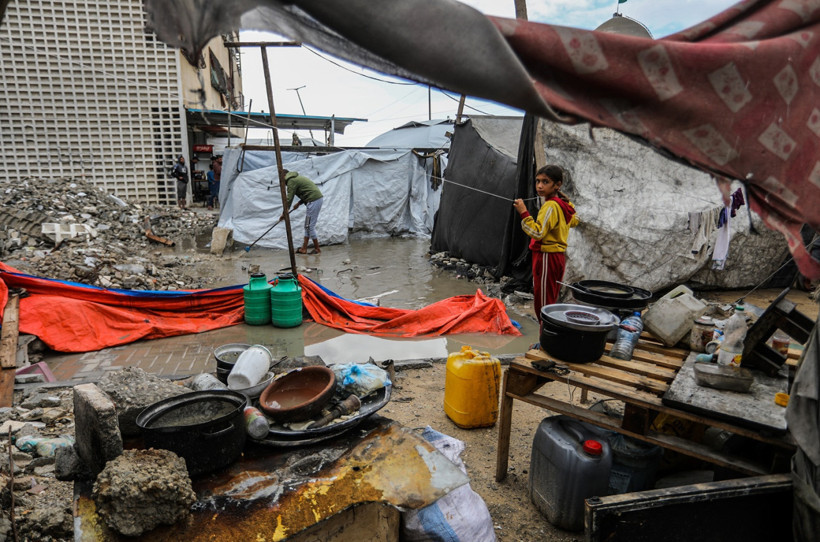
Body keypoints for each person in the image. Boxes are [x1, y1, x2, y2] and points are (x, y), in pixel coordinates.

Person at [513, 165, 579, 319]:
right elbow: (575, 220)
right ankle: (547, 332)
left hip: (547, 257)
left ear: (557, 185)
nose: (540, 186)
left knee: (543, 303)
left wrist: (524, 213)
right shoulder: (562, 205)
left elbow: (538, 232)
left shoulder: (550, 206)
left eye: (545, 182)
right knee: (550, 298)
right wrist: (567, 203)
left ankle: (544, 334)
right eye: (537, 181)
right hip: (557, 257)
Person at [278, 169, 324, 254]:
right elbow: (306, 192)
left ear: (284, 176)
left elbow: (289, 198)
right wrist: (299, 203)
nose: (282, 183)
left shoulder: (291, 181)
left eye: (281, 180)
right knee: (307, 226)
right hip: (314, 200)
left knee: (310, 226)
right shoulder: (295, 178)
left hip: (313, 201)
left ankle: (317, 248)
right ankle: (304, 248)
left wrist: (284, 213)